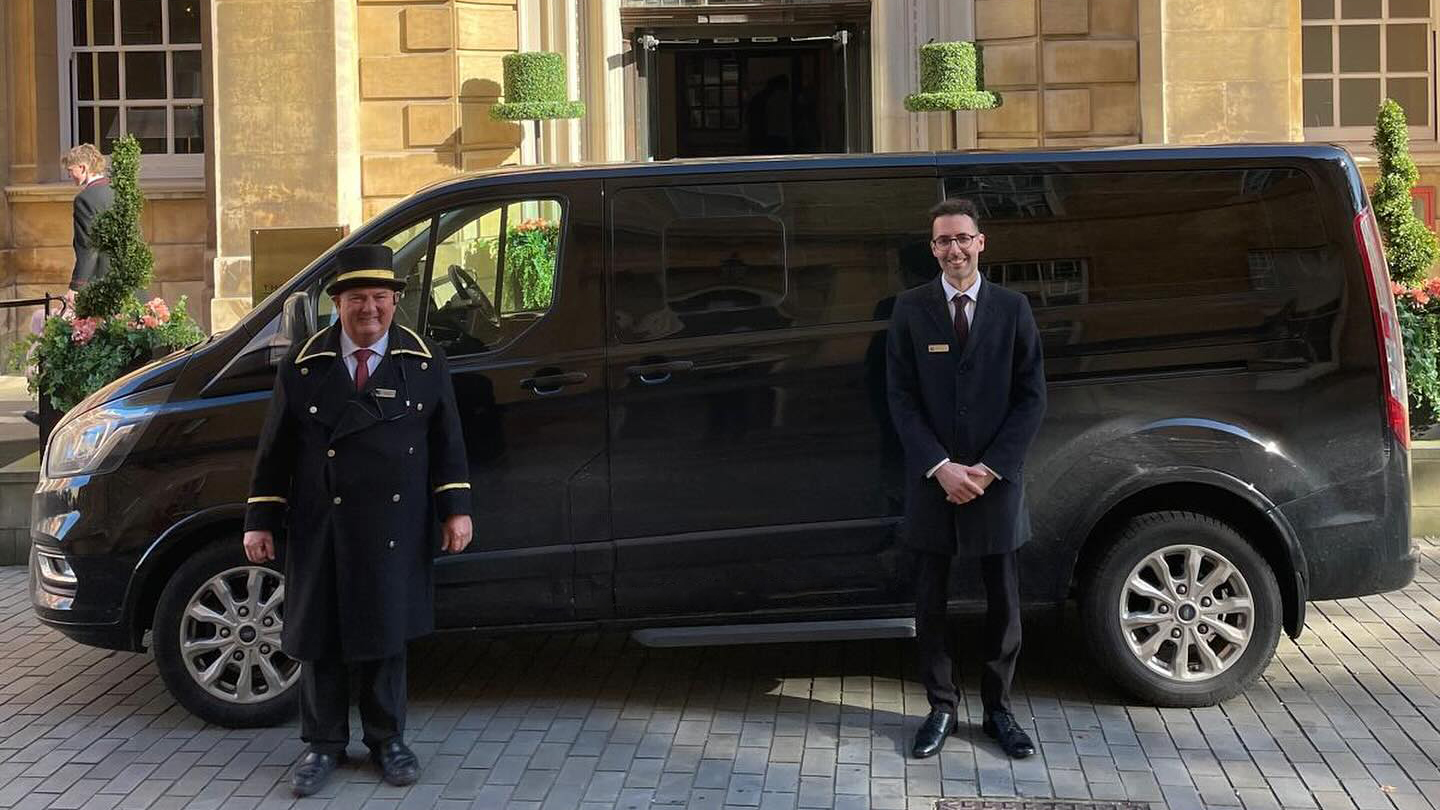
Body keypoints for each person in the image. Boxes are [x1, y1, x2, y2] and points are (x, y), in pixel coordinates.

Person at [242, 244, 474, 796]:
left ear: (395, 300)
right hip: (323, 521)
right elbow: (274, 449)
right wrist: (260, 520)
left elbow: (448, 441)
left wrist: (457, 509)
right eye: (356, 299)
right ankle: (322, 745)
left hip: (396, 524)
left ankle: (388, 740)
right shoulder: (304, 364)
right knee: (319, 637)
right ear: (338, 303)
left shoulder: (423, 360)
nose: (369, 309)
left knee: (385, 633)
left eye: (379, 297)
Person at [885, 198, 1046, 760]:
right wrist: (940, 467)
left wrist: (989, 467)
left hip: (995, 482)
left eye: (962, 238)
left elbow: (1032, 397)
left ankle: (999, 710)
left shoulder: (1012, 308)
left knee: (1003, 601)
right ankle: (941, 708)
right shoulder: (910, 309)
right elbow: (899, 399)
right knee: (930, 602)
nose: (954, 249)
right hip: (934, 481)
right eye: (943, 241)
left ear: (981, 243)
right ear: (932, 249)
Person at [62, 143, 113, 290]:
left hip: (103, 281)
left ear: (83, 168)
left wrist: (77, 286)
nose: (69, 175)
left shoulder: (84, 199)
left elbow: (87, 246)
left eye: (70, 170)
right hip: (128, 278)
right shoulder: (118, 190)